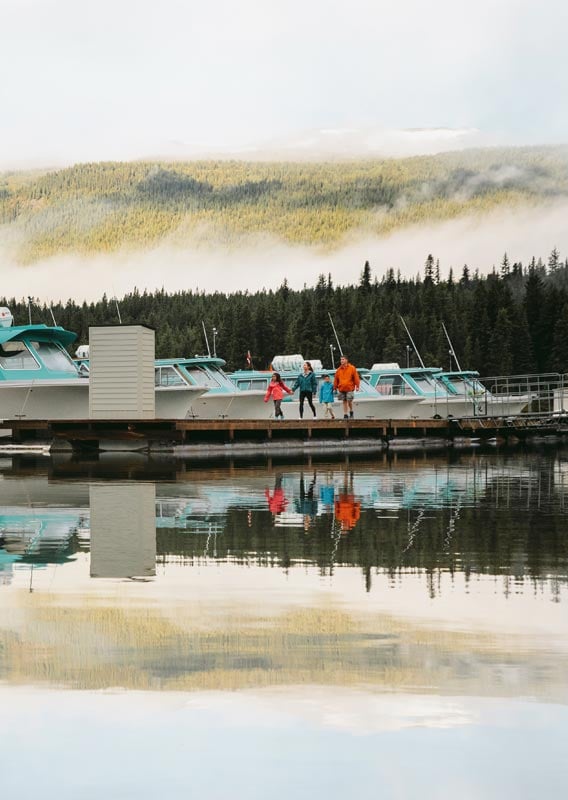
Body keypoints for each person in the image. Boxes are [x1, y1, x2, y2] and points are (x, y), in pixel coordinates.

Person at [333, 354, 360, 419]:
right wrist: (335, 387)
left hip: (349, 387)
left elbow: (356, 377)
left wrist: (357, 386)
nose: (341, 361)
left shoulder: (352, 368)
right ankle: (345, 414)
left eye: (343, 359)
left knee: (349, 400)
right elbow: (336, 379)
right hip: (342, 388)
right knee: (344, 401)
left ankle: (351, 411)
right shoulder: (339, 370)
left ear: (346, 360)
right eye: (341, 359)